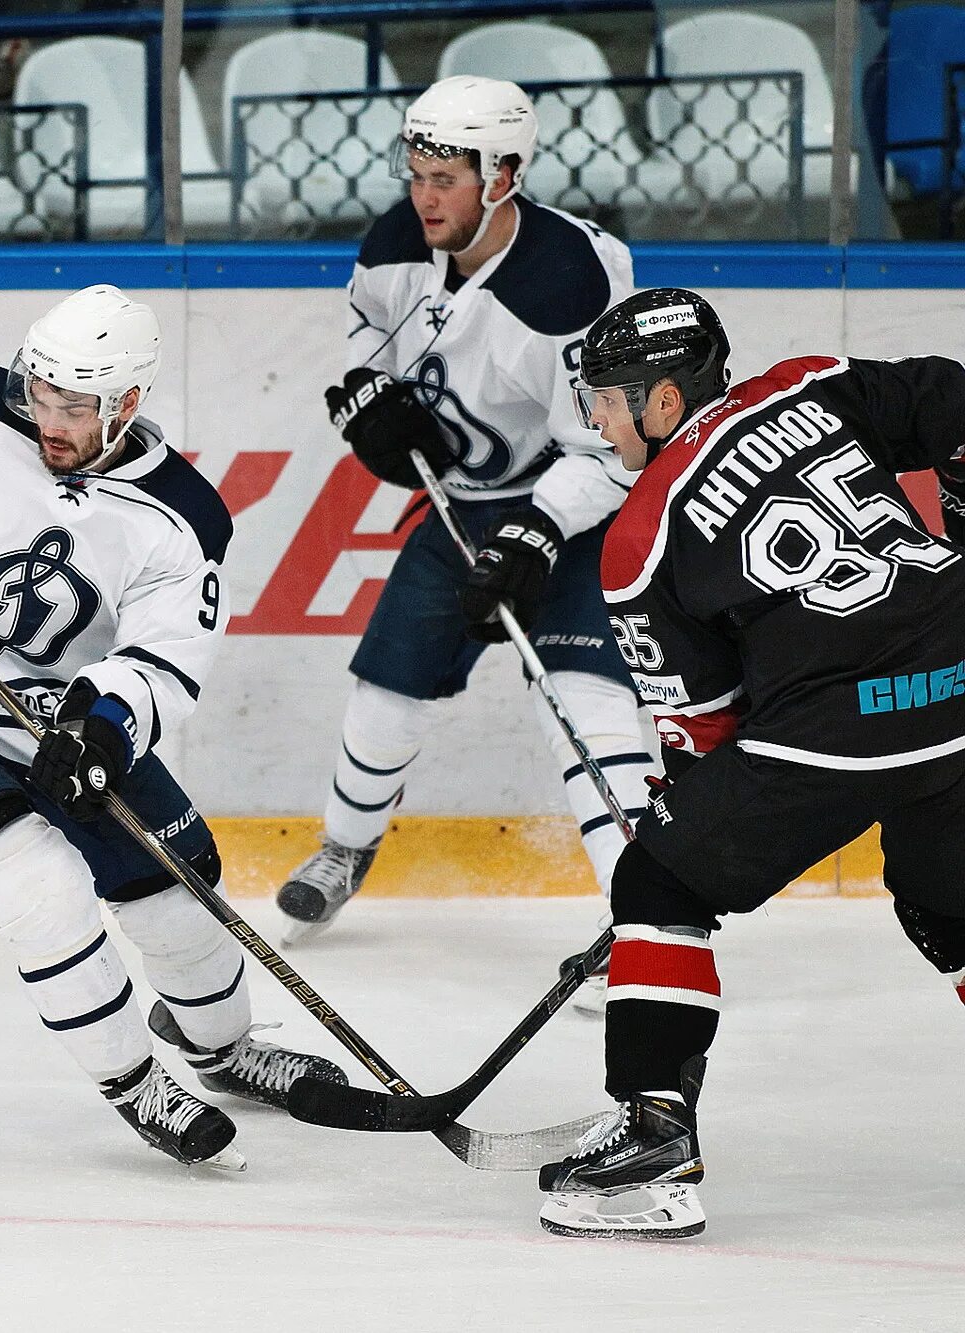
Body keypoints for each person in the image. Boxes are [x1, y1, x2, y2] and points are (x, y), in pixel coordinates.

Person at [0, 285, 346, 1169]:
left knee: (181, 887)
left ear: (128, 403)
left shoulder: (181, 519)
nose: (47, 418)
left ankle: (222, 1049)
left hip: (62, 732)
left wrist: (104, 728)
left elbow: (165, 658)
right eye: (39, 393)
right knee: (40, 883)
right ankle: (134, 1081)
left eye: (73, 406)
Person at [537, 288, 965, 1238]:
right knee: (951, 908)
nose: (597, 422)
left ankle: (653, 1140)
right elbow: (947, 396)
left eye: (607, 400)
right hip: (961, 682)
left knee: (658, 881)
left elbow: (710, 729)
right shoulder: (809, 384)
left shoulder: (640, 538)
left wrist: (679, 837)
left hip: (838, 726)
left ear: (660, 400)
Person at [275, 76, 657, 960]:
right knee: (385, 692)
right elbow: (364, 337)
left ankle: (639, 910)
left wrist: (538, 532)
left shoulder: (572, 284)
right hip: (462, 511)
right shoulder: (397, 242)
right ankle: (344, 848)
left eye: (446, 177)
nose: (424, 196)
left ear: (505, 174)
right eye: (416, 172)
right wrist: (367, 400)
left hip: (578, 513)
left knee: (590, 703)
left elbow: (613, 449)